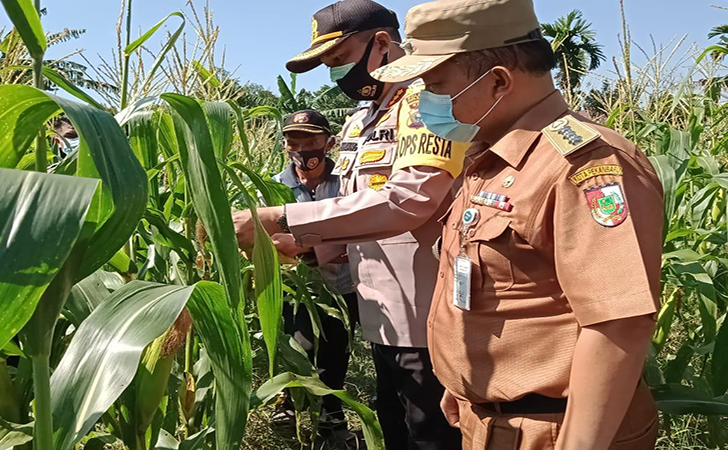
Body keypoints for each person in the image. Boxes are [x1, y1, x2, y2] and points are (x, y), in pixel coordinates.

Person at [370, 0, 663, 449]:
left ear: (499, 81)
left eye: (435, 85)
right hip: (490, 420)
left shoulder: (584, 165)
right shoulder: (490, 158)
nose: (423, 102)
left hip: (556, 429)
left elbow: (619, 324)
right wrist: (465, 381)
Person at [233, 1, 468, 448]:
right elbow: (350, 208)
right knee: (396, 426)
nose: (335, 75)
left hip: (424, 317)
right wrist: (298, 245)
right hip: (380, 313)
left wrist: (282, 219)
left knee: (429, 434)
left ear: (381, 43)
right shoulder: (363, 119)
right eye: (327, 65)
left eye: (338, 60)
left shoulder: (429, 104)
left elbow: (410, 200)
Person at [271, 110, 360, 447]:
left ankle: (331, 413)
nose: (303, 149)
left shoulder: (346, 183)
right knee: (296, 344)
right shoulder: (273, 186)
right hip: (294, 285)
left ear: (330, 143)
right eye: (295, 142)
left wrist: (308, 244)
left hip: (340, 283)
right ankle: (288, 403)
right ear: (285, 146)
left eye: (312, 141)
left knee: (336, 346)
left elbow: (359, 226)